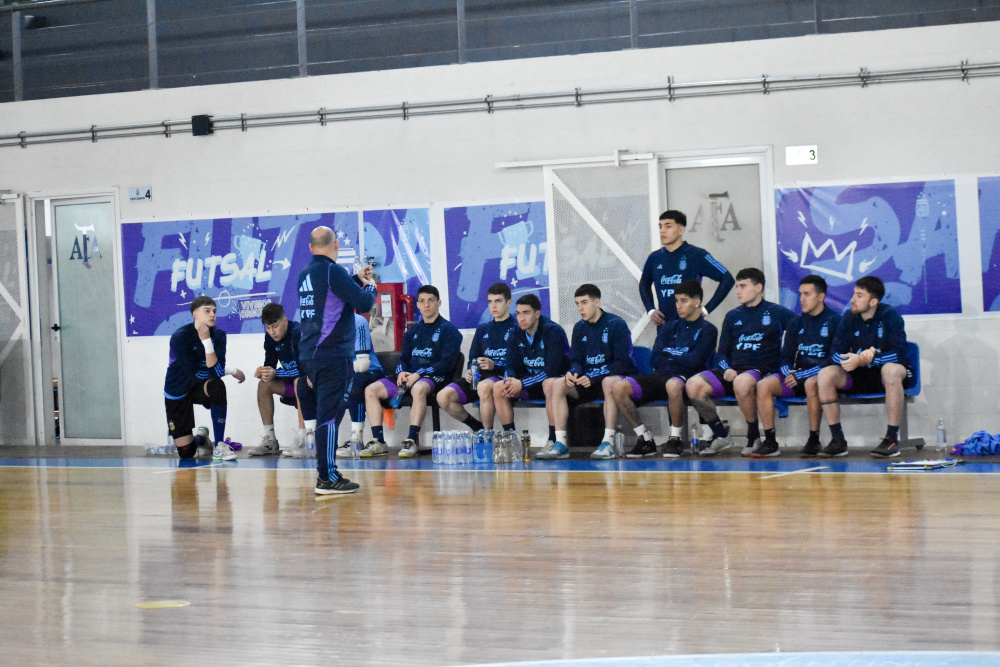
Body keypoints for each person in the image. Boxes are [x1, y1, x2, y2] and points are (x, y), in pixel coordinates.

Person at [296, 226, 376, 495]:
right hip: (332, 354)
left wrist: (354, 277)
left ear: (310, 247)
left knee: (331, 412)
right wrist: (372, 286)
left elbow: (330, 294)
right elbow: (363, 303)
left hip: (311, 353)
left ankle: (327, 471)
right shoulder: (332, 271)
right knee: (329, 416)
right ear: (337, 245)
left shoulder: (305, 273)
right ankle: (326, 477)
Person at [685, 268, 794, 456]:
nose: (738, 291)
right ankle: (721, 435)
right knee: (693, 385)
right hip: (734, 372)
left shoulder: (776, 312)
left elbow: (801, 331)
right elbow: (722, 353)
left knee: (742, 382)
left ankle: (753, 435)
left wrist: (788, 360)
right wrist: (726, 369)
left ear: (758, 287)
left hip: (761, 370)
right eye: (737, 286)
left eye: (743, 286)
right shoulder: (732, 316)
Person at [610, 280, 718, 458]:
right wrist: (679, 356)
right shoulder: (669, 327)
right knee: (619, 387)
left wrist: (671, 354)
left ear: (697, 302)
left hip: (688, 380)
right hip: (661, 376)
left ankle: (675, 439)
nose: (678, 306)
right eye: (676, 301)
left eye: (683, 301)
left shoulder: (708, 330)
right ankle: (645, 439)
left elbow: (696, 361)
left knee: (673, 385)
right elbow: (655, 358)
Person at [536, 284, 637, 460]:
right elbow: (576, 360)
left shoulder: (616, 324)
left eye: (584, 302)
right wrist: (573, 372)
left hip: (611, 380)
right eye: (577, 304)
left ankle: (608, 442)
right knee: (557, 383)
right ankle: (560, 443)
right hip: (587, 381)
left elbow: (623, 362)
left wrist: (595, 376)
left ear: (596, 302)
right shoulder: (579, 327)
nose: (580, 308)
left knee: (608, 382)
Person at [816, 276, 913, 459]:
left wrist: (867, 359)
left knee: (891, 370)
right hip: (859, 377)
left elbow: (900, 354)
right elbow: (834, 354)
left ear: (873, 301)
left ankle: (891, 439)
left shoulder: (890, 316)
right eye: (854, 294)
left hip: (888, 377)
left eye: (859, 296)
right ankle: (838, 440)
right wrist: (851, 360)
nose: (853, 299)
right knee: (825, 374)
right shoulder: (848, 317)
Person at [361, 285, 461, 458]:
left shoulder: (450, 330)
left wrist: (419, 374)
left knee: (418, 388)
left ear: (439, 303)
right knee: (370, 390)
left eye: (430, 300)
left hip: (432, 377)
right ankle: (379, 442)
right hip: (409, 376)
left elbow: (447, 362)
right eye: (422, 301)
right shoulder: (412, 331)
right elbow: (403, 358)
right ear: (419, 306)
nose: (426, 305)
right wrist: (401, 372)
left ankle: (411, 440)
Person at [752, 275, 841, 458]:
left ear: (821, 297)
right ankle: (770, 441)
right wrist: (787, 373)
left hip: (818, 378)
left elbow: (834, 358)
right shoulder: (796, 322)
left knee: (811, 383)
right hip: (795, 377)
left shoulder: (835, 321)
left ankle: (813, 439)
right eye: (800, 294)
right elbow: (785, 357)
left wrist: (802, 375)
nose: (801, 298)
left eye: (807, 294)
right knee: (763, 385)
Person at [164, 296, 246, 461]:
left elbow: (214, 372)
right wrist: (230, 370)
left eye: (214, 311)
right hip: (178, 390)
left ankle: (219, 445)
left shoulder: (220, 335)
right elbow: (196, 373)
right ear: (195, 314)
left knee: (217, 386)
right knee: (186, 452)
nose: (212, 315)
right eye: (207, 311)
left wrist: (207, 342)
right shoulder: (180, 337)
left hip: (199, 387)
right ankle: (202, 438)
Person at [492, 293, 571, 444]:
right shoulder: (515, 331)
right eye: (518, 313)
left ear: (537, 314)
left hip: (554, 385)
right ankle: (511, 439)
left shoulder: (553, 331)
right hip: (530, 384)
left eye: (526, 313)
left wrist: (521, 384)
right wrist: (511, 381)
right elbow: (510, 363)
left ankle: (553, 440)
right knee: (498, 388)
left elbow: (551, 371)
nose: (521, 318)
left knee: (549, 384)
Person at [437, 283, 517, 433]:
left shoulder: (517, 328)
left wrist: (495, 365)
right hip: (480, 378)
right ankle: (477, 428)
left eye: (498, 301)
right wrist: (470, 370)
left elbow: (519, 362)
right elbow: (473, 357)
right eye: (490, 301)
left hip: (502, 377)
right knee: (443, 397)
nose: (493, 306)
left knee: (484, 386)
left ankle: (487, 435)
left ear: (509, 303)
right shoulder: (483, 328)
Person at [638, 209, 735, 327]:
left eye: (668, 226)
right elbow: (644, 284)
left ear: (681, 230)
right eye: (660, 227)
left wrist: (705, 310)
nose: (662, 231)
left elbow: (727, 278)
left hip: (690, 327)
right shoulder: (654, 257)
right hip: (665, 328)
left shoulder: (696, 254)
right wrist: (651, 310)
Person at [247, 303, 304, 457]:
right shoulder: (270, 338)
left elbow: (303, 369)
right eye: (268, 328)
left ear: (285, 321)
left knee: (300, 382)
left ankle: (303, 441)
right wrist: (264, 372)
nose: (272, 332)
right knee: (263, 384)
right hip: (290, 382)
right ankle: (270, 440)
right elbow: (270, 364)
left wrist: (276, 373)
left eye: (275, 326)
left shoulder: (298, 332)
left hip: (307, 383)